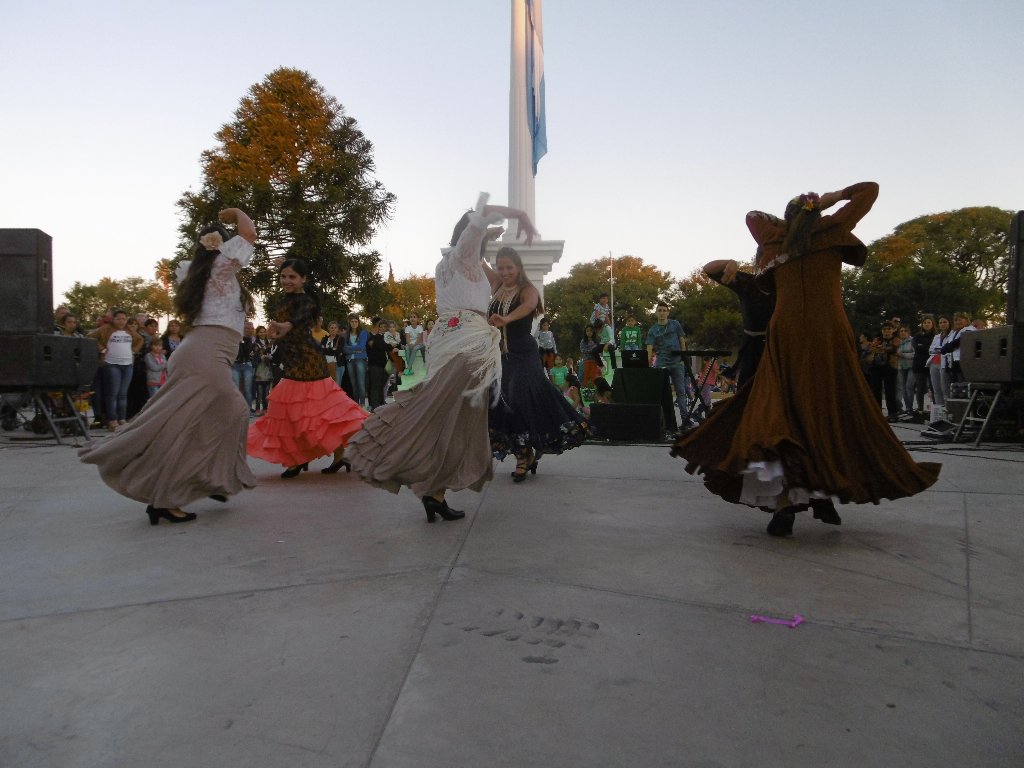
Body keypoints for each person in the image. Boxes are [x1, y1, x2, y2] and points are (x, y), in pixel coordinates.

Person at [671, 182, 941, 537]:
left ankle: (788, 500)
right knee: (828, 410)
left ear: (787, 217)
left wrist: (804, 210)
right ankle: (820, 486)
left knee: (779, 415)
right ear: (816, 212)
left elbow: (752, 215)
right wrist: (830, 200)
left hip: (788, 336)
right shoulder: (832, 230)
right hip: (827, 331)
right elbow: (869, 190)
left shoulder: (774, 239)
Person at [347, 192, 537, 522]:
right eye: (476, 233)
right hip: (466, 344)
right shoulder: (463, 257)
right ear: (468, 234)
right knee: (441, 414)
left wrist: (488, 242)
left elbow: (489, 271)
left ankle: (435, 493)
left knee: (454, 420)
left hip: (456, 341)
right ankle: (388, 457)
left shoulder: (458, 264)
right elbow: (483, 215)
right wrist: (519, 215)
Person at [79, 208, 259, 524]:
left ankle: (212, 478)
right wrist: (237, 212)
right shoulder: (219, 268)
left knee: (229, 414)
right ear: (223, 247)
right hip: (206, 355)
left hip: (201, 352)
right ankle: (170, 495)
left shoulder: (204, 273)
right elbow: (250, 234)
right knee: (199, 421)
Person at [247, 259, 368, 477]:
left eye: (292, 277)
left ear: (304, 279)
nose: (286, 280)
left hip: (308, 359)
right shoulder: (287, 298)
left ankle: (331, 456)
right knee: (294, 410)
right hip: (293, 359)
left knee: (319, 408)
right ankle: (304, 457)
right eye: (283, 276)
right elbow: (286, 326)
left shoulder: (305, 301)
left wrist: (289, 325)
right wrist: (277, 333)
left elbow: (304, 312)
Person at [486, 246, 588, 481]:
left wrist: (506, 319)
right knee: (500, 403)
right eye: (500, 268)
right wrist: (473, 234)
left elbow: (529, 306)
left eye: (509, 267)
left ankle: (524, 457)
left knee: (520, 399)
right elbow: (477, 258)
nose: (504, 272)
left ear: (518, 267)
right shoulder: (497, 285)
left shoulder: (527, 289)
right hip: (500, 356)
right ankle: (524, 453)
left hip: (523, 354)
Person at [702, 258, 775, 386]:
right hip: (750, 348)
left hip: (777, 347)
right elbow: (708, 269)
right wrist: (728, 263)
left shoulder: (786, 286)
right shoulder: (748, 283)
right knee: (746, 391)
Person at [93, 309, 144, 430]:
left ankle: (122, 418)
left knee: (123, 394)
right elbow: (91, 337)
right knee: (112, 393)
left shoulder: (129, 330)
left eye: (124, 319)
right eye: (118, 319)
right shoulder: (105, 329)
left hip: (127, 364)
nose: (121, 321)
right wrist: (102, 349)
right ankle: (112, 419)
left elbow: (140, 339)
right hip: (111, 364)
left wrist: (134, 351)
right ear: (113, 319)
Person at [646, 302, 688, 422]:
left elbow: (682, 340)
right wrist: (647, 363)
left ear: (668, 312)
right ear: (656, 313)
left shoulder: (675, 324)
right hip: (661, 364)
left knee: (681, 391)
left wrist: (683, 358)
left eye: (664, 310)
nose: (662, 313)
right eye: (660, 310)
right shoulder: (652, 330)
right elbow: (649, 347)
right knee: (660, 393)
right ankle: (662, 421)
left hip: (677, 363)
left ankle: (685, 419)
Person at [365, 317, 391, 410]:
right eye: (381, 326)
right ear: (378, 328)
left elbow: (390, 347)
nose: (383, 328)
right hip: (375, 365)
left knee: (381, 385)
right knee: (375, 385)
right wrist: (388, 345)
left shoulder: (389, 337)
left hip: (386, 365)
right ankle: (375, 406)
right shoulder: (374, 338)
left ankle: (381, 403)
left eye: (385, 327)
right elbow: (381, 346)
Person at [344, 314, 369, 407]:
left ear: (358, 322)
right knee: (354, 385)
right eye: (352, 322)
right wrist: (356, 349)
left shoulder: (363, 333)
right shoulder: (346, 334)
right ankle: (356, 405)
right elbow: (344, 349)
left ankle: (362, 405)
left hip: (360, 360)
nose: (354, 323)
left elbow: (362, 347)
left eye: (356, 321)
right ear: (349, 323)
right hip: (350, 360)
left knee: (361, 384)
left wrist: (350, 348)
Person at [929, 315, 951, 408]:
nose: (942, 324)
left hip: (944, 363)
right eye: (941, 322)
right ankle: (939, 410)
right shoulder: (937, 336)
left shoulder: (952, 334)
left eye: (945, 322)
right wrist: (939, 349)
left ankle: (948, 409)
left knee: (945, 388)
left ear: (949, 323)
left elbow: (949, 348)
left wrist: (939, 349)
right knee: (936, 389)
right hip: (934, 363)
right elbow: (930, 350)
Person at [253, 325, 273, 416]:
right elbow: (255, 356)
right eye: (261, 332)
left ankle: (265, 409)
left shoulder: (269, 343)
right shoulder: (255, 344)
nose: (263, 333)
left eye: (264, 331)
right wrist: (262, 357)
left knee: (267, 391)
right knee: (259, 391)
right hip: (259, 371)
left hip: (267, 370)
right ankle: (257, 409)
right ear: (257, 333)